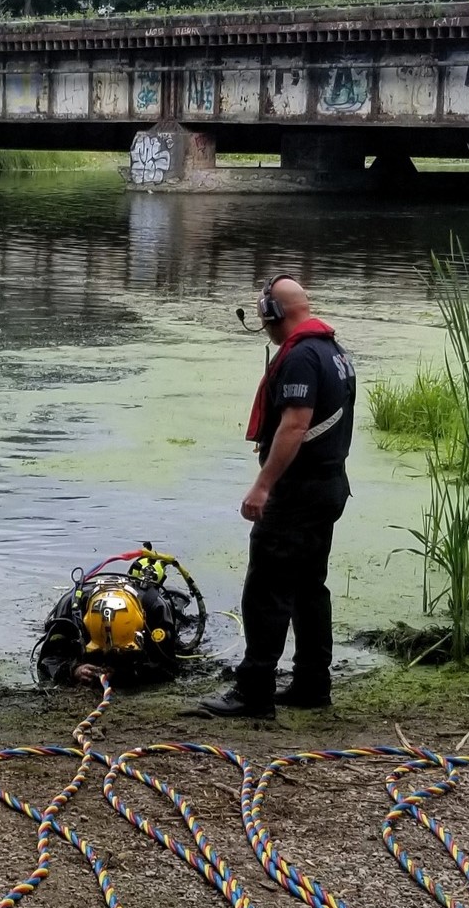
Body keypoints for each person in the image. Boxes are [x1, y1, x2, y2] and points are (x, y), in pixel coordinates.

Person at [192, 275, 355, 719]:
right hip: (328, 485)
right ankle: (311, 684)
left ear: (272, 313)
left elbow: (295, 425)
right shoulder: (333, 350)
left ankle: (254, 691)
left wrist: (263, 485)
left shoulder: (301, 357)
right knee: (308, 587)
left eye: (263, 313)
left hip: (298, 492)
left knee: (266, 588)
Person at [34, 548, 206, 689]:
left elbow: (168, 667)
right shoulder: (71, 610)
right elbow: (47, 660)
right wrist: (73, 670)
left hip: (151, 612)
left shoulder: (155, 608)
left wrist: (126, 672)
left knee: (181, 628)